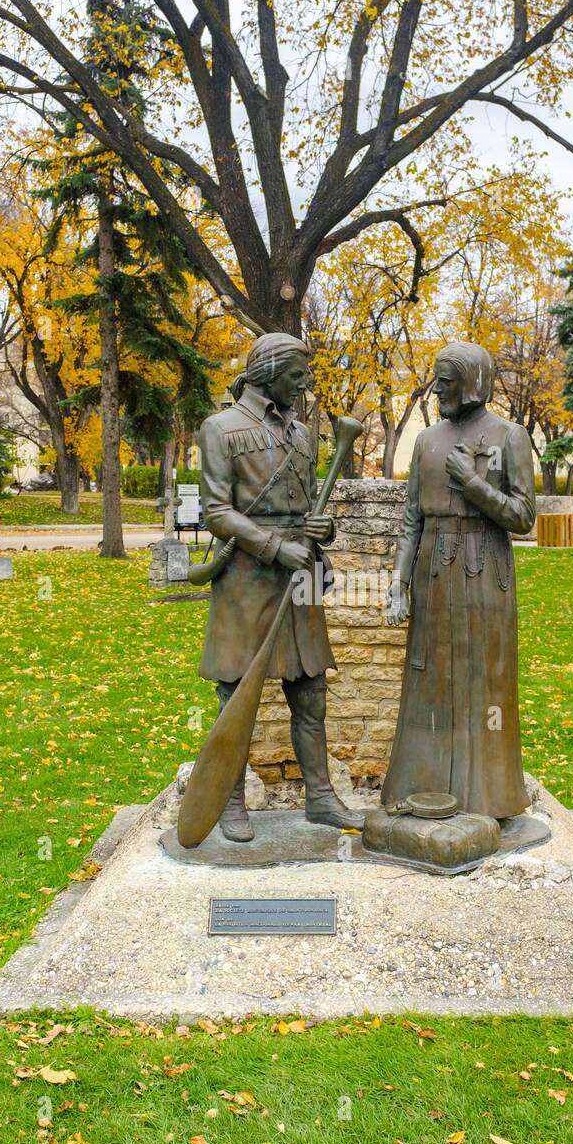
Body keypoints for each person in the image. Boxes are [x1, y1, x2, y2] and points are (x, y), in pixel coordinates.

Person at [197, 331, 363, 842]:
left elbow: (310, 502)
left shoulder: (303, 434)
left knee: (310, 691)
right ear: (269, 372)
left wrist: (323, 530)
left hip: (302, 575)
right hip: (249, 577)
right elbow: (216, 512)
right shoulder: (219, 428)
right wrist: (273, 546)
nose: (305, 383)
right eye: (297, 375)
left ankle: (320, 797)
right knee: (237, 695)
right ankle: (229, 803)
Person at [383, 342, 536, 820]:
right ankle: (419, 786)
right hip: (433, 572)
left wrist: (472, 485)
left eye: (445, 381)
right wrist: (398, 580)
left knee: (481, 681)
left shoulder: (509, 436)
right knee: (428, 680)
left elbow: (523, 516)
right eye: (437, 379)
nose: (438, 388)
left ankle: (487, 794)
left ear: (471, 382)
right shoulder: (426, 441)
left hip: (485, 572)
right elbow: (412, 518)